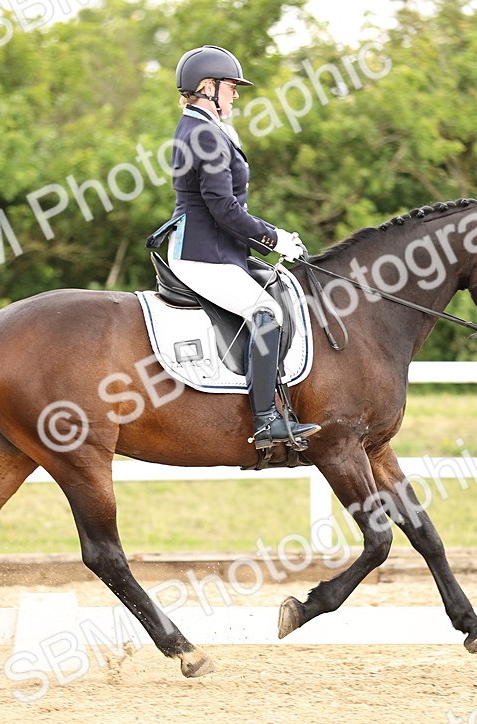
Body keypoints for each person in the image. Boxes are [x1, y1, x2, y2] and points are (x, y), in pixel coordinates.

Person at [166, 44, 321, 450]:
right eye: (231, 86)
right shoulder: (203, 134)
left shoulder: (204, 128)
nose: (236, 93)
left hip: (220, 249)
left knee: (282, 287)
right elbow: (224, 209)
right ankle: (266, 419)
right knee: (266, 313)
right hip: (204, 254)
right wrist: (274, 238)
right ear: (207, 87)